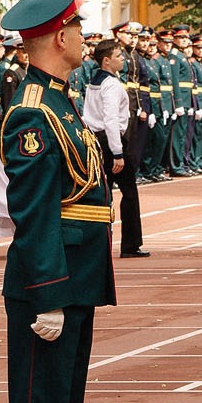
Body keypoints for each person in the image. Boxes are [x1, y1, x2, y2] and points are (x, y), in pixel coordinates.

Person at [0, 0, 114, 403]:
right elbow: (35, 211)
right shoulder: (32, 113)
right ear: (60, 35)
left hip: (78, 273)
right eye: (80, 30)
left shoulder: (63, 100)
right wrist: (48, 294)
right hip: (53, 279)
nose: (86, 40)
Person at [81, 40, 144, 258]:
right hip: (111, 141)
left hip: (97, 140)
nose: (122, 59)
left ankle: (99, 243)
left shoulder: (95, 82)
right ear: (106, 60)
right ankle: (130, 243)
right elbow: (110, 119)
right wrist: (118, 152)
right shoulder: (110, 85)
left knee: (102, 194)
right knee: (129, 193)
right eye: (118, 56)